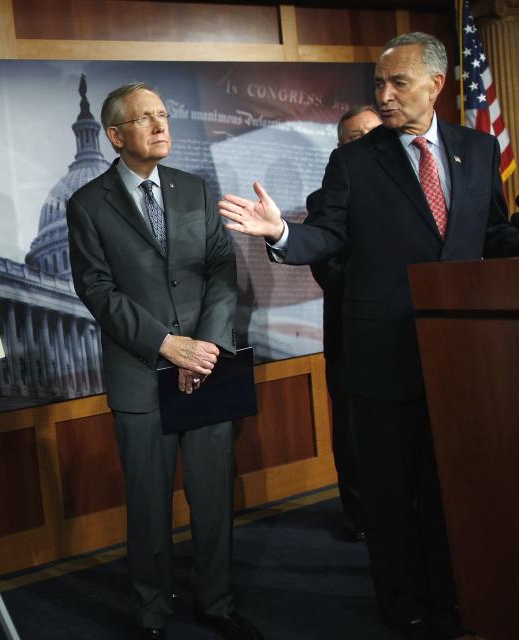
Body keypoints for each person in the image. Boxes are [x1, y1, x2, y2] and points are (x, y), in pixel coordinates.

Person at [218, 33, 519, 640]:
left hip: (460, 358)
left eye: (397, 83)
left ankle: (451, 592)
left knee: (449, 486)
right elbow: (325, 236)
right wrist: (280, 233)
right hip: (382, 357)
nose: (383, 95)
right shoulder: (355, 159)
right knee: (388, 491)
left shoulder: (479, 150)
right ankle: (402, 597)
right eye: (377, 84)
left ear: (436, 85)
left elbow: (492, 240)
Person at [67, 83, 263, 640]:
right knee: (148, 507)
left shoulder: (195, 190)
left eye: (163, 115)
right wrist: (166, 345)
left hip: (209, 366)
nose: (160, 125)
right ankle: (152, 614)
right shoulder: (86, 204)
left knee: (213, 497)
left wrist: (204, 348)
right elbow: (99, 292)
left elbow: (223, 271)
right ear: (114, 135)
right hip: (140, 374)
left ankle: (216, 603)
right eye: (145, 118)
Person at [310, 104, 382, 543]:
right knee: (354, 432)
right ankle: (358, 514)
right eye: (355, 138)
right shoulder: (325, 202)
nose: (368, 142)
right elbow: (328, 270)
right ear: (340, 150)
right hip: (352, 336)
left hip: (410, 335)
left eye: (374, 132)